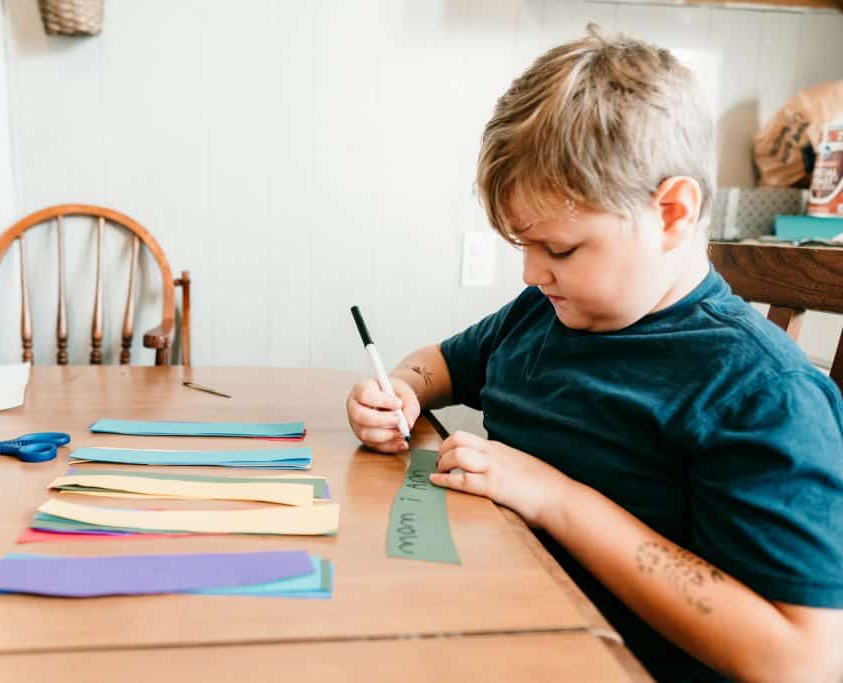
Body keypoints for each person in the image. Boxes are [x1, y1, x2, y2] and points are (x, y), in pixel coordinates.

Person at [345, 26, 843, 683]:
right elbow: (441, 363)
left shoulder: (759, 392)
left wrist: (555, 497)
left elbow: (802, 660)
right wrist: (401, 389)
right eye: (521, 246)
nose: (530, 273)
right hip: (488, 623)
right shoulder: (543, 314)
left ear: (671, 213)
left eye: (559, 249)